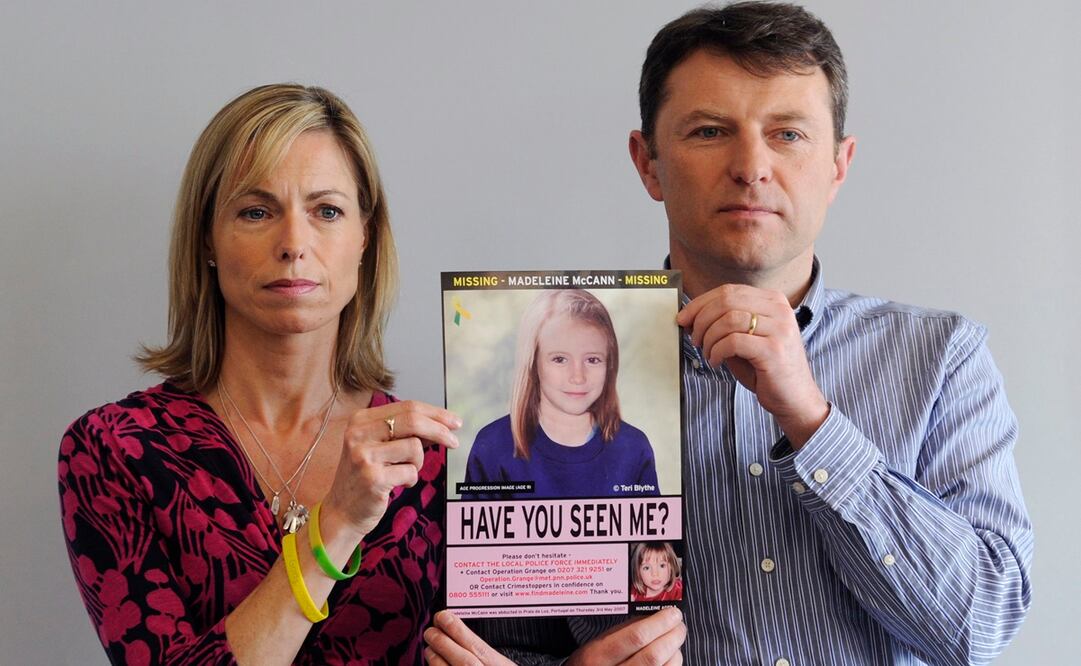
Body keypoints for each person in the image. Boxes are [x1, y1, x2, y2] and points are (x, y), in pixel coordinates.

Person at [424, 2, 1033, 665]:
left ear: (838, 165)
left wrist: (810, 420)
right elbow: (493, 645)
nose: (750, 166)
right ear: (647, 163)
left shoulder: (943, 359)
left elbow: (980, 626)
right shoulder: (542, 387)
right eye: (711, 131)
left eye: (788, 134)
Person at [57, 84, 461, 665]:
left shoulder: (437, 460)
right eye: (256, 211)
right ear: (208, 238)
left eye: (327, 211)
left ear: (366, 236)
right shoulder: (114, 450)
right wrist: (337, 523)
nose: (294, 244)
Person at [463, 289, 659, 499]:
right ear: (532, 364)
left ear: (610, 364)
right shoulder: (492, 446)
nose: (578, 377)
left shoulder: (634, 447)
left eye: (592, 360)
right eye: (559, 359)